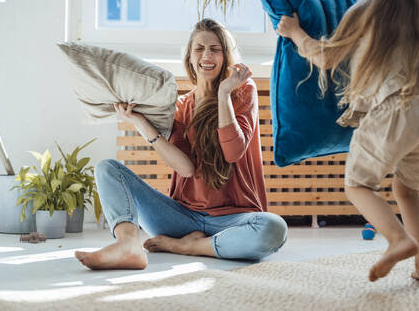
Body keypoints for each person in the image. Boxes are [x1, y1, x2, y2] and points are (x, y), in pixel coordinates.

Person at [75, 18, 288, 270]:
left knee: (274, 228)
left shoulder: (242, 91)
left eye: (215, 49)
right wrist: (139, 122)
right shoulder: (180, 106)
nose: (206, 55)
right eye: (199, 48)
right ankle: (128, 244)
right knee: (107, 169)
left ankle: (189, 246)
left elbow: (233, 152)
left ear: (225, 56)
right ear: (189, 57)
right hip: (181, 218)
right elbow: (185, 169)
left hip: (234, 218)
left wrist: (223, 94)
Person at [276, 0, 419, 285]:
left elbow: (325, 57)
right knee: (408, 191)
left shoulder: (363, 11)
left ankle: (397, 239)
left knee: (358, 185)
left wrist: (294, 32)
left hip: (395, 108)